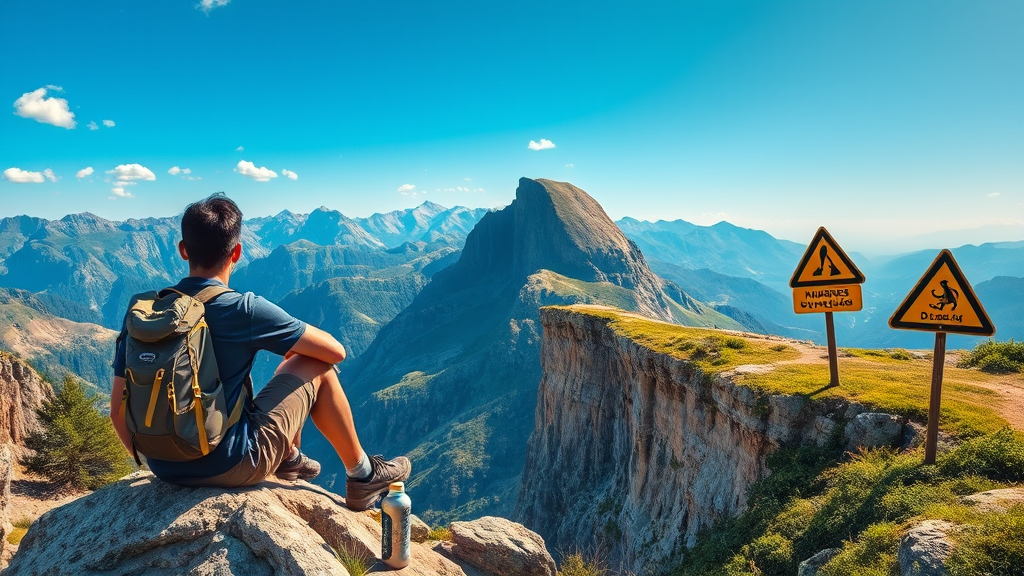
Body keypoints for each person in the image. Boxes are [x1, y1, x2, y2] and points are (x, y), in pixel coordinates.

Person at [109, 193, 410, 510]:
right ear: (236, 252)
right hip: (231, 464)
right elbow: (335, 352)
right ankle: (363, 476)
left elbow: (118, 411)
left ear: (183, 250)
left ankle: (289, 458)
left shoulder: (146, 315)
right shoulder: (243, 308)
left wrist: (159, 464)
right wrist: (290, 351)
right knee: (315, 364)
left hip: (163, 466)